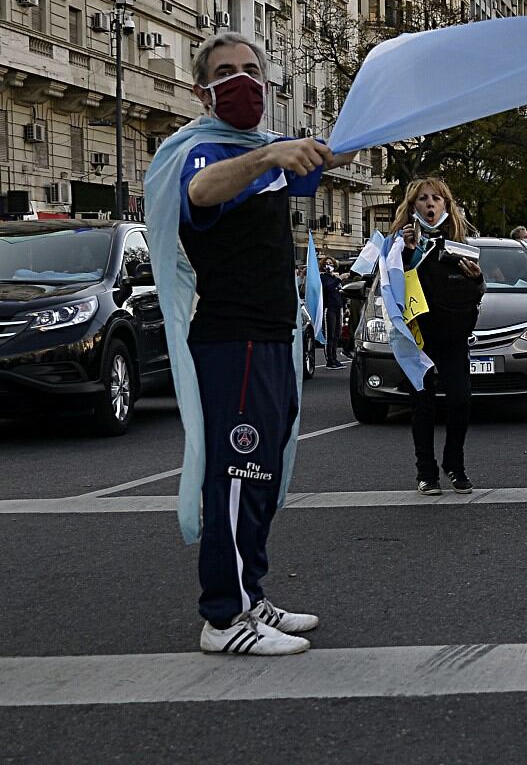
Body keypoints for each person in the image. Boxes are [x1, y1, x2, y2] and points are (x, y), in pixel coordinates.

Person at [163, 32, 350, 656]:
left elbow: (327, 159)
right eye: (226, 72)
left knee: (263, 475)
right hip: (232, 338)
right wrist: (270, 156)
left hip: (273, 337)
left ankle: (251, 592)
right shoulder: (203, 151)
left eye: (253, 70)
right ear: (202, 90)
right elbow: (201, 192)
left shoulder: (259, 153)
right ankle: (224, 618)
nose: (243, 82)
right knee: (239, 474)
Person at [393, 177, 486, 497]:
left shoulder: (459, 244)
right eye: (422, 199)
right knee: (423, 405)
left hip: (453, 336)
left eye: (436, 198)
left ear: (446, 205)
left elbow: (473, 292)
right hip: (419, 338)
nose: (430, 204)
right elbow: (393, 286)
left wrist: (477, 280)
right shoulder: (401, 245)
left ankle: (454, 464)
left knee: (461, 400)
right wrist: (406, 253)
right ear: (412, 206)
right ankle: (426, 472)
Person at [319, 259, 344, 367]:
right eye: (326, 264)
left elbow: (339, 293)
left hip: (338, 308)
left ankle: (334, 357)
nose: (329, 266)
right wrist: (339, 279)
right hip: (329, 309)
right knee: (330, 334)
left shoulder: (334, 278)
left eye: (331, 264)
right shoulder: (323, 278)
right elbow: (328, 288)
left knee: (337, 334)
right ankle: (330, 359)